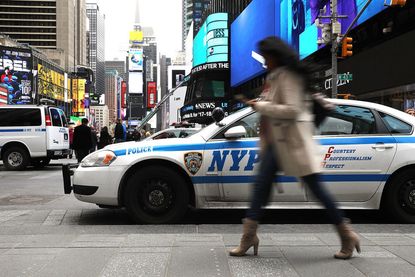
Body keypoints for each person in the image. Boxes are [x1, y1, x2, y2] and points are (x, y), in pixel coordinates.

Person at [230, 36, 360, 260]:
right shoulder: (276, 75)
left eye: (266, 56)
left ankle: (347, 235)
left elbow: (292, 110)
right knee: (260, 188)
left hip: (293, 144)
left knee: (317, 190)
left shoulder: (287, 76)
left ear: (274, 56)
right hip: (277, 144)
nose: (264, 60)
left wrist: (260, 105)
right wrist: (260, 104)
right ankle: (249, 236)